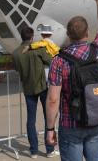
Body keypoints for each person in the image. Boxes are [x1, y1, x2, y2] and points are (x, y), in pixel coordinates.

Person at [45, 0, 98, 161]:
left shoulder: (58, 61)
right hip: (96, 120)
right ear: (87, 33)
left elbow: (52, 100)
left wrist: (50, 129)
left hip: (70, 123)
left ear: (68, 35)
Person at [12, 27, 57, 159]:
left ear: (22, 37)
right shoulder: (37, 48)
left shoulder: (15, 53)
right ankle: (50, 149)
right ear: (32, 37)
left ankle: (34, 151)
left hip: (28, 89)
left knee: (30, 120)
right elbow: (50, 61)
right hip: (42, 87)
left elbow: (16, 68)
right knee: (49, 117)